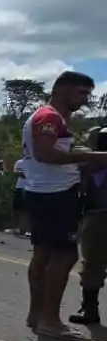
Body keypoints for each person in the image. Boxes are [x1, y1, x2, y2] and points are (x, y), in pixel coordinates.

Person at [22, 71, 107, 340]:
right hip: (55, 194)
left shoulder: (50, 117)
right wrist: (89, 157)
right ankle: (50, 319)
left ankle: (37, 315)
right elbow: (44, 153)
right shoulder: (49, 116)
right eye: (81, 93)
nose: (85, 100)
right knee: (64, 256)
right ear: (62, 89)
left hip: (43, 192)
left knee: (44, 254)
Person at [70, 127, 107, 327]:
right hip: (97, 215)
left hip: (99, 218)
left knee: (93, 265)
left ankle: (90, 310)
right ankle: (90, 309)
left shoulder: (90, 164)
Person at [11, 156, 30, 237]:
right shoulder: (20, 162)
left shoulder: (36, 162)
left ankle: (29, 230)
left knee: (29, 210)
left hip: (31, 187)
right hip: (20, 187)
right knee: (18, 209)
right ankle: (20, 228)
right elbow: (16, 171)